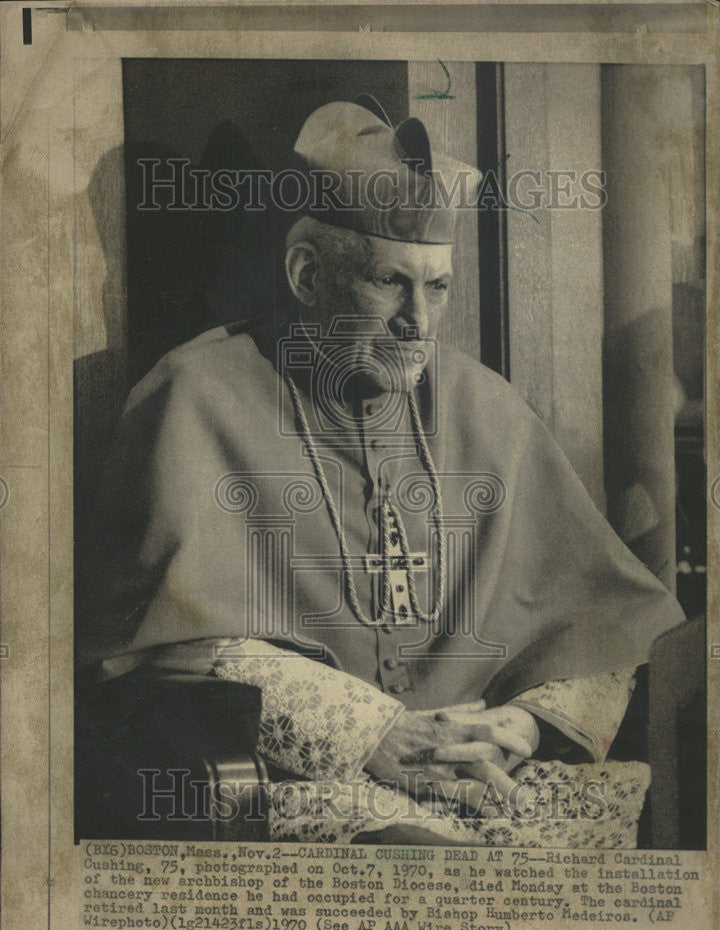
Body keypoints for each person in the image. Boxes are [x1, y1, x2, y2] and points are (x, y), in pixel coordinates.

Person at [80, 98, 684, 844]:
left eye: (437, 288)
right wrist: (368, 731)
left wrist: (520, 725)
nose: (420, 323)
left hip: (482, 769)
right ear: (308, 276)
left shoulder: (484, 406)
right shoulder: (195, 396)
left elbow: (605, 619)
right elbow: (149, 644)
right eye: (390, 283)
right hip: (310, 778)